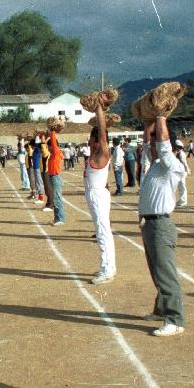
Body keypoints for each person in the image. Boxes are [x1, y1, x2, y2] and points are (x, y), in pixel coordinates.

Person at [139, 117, 187, 337]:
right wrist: (149, 120)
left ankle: (175, 319)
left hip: (161, 224)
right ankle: (161, 310)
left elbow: (164, 144)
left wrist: (160, 116)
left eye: (155, 143)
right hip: (149, 224)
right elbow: (148, 141)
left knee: (166, 273)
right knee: (156, 271)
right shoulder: (156, 165)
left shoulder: (172, 165)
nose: (152, 146)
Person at [84, 105, 116, 284]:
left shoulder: (102, 152)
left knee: (103, 232)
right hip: (95, 193)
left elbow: (103, 134)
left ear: (99, 140)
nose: (89, 142)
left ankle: (107, 269)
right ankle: (108, 266)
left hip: (97, 195)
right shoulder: (94, 153)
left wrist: (99, 110)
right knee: (101, 231)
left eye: (91, 138)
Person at [47, 118, 66, 226]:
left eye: (50, 147)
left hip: (56, 176)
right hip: (52, 176)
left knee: (57, 197)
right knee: (55, 197)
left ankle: (60, 219)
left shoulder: (56, 152)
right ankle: (56, 218)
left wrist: (52, 131)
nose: (48, 149)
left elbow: (53, 142)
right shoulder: (53, 154)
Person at [174, 140, 190, 208]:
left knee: (182, 186)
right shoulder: (178, 153)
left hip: (182, 172)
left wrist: (187, 170)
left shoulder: (181, 154)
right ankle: (181, 200)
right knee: (180, 186)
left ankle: (183, 201)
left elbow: (184, 163)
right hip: (179, 171)